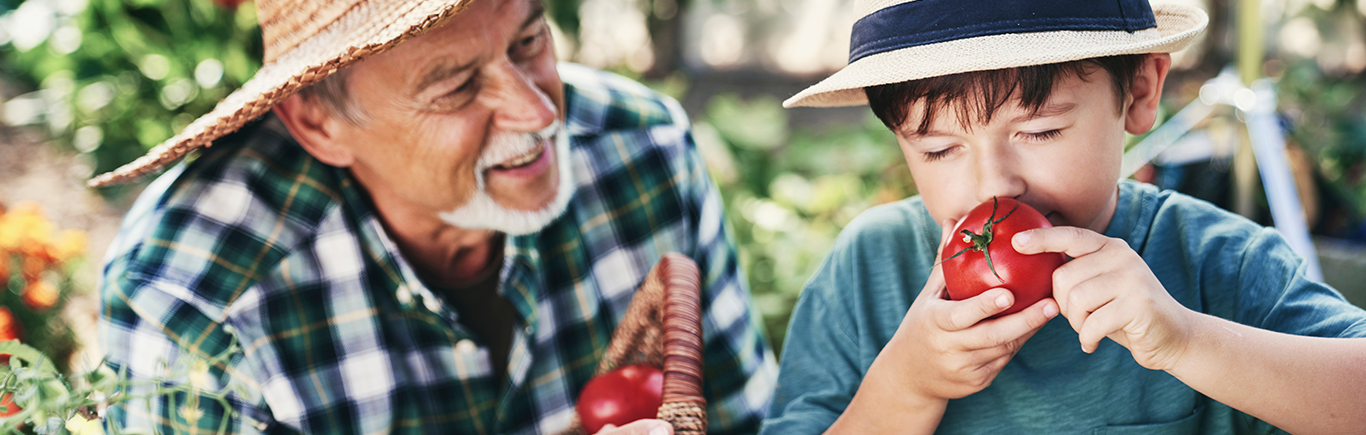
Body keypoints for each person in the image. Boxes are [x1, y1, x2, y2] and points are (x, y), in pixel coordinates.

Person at [92, 0, 776, 433]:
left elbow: (747, 416)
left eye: (529, 41)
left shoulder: (644, 149)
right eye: (456, 87)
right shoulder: (192, 294)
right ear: (318, 121)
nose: (539, 114)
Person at [761, 0, 1366, 433]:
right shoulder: (869, 268)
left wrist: (1187, 341)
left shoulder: (1221, 263)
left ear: (1141, 91)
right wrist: (905, 387)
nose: (994, 183)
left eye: (1041, 131)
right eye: (939, 149)